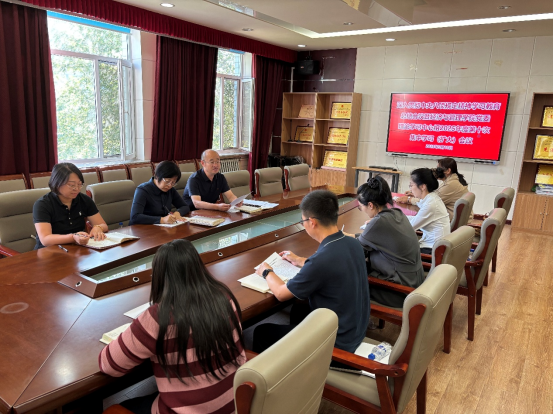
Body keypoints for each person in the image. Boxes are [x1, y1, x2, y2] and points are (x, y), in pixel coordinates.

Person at [99, 239, 246, 414]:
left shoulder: (157, 317)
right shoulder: (225, 297)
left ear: (159, 276)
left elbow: (108, 365)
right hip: (236, 403)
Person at [252, 190, 370, 356]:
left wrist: (266, 272)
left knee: (261, 332)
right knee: (299, 308)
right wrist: (300, 260)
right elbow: (331, 265)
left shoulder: (321, 260)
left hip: (336, 343)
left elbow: (281, 293)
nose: (303, 224)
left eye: (303, 221)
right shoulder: (353, 243)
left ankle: (294, 366)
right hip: (354, 328)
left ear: (312, 222)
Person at [345, 176, 424, 308]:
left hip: (399, 291)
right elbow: (373, 239)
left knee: (346, 279)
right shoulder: (396, 213)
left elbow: (356, 251)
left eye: (360, 207)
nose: (362, 210)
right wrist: (352, 236)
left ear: (370, 205)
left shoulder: (379, 222)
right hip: (413, 282)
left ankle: (353, 318)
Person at [33, 163, 108, 249]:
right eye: (72, 185)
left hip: (76, 249)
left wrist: (98, 228)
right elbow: (45, 239)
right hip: (48, 251)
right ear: (57, 183)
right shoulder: (42, 205)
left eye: (79, 184)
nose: (76, 189)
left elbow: (103, 225)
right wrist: (73, 237)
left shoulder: (84, 200)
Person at [396, 157, 471, 221]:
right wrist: (416, 194)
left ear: (448, 171)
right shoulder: (453, 180)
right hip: (456, 217)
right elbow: (435, 196)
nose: (436, 171)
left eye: (439, 169)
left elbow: (429, 202)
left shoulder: (451, 184)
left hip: (451, 219)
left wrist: (409, 200)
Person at [129, 161, 190, 225]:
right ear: (157, 176)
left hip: (161, 227)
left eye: (173, 182)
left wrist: (177, 213)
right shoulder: (143, 190)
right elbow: (135, 217)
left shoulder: (170, 190)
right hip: (141, 228)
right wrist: (162, 220)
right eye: (167, 181)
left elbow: (185, 206)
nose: (170, 185)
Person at [407, 168, 450, 254]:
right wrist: (397, 217)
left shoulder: (431, 204)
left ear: (423, 186)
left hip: (433, 251)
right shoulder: (432, 198)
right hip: (433, 246)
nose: (410, 189)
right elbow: (415, 219)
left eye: (411, 185)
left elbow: (409, 227)